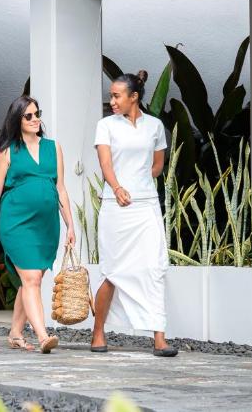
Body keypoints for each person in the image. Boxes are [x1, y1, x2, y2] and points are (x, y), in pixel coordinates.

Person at [0, 96, 76, 354]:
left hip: (46, 226)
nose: (34, 119)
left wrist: (70, 225)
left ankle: (15, 332)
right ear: (17, 120)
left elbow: (61, 189)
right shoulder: (6, 152)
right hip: (17, 223)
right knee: (31, 278)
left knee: (30, 280)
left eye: (37, 114)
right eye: (28, 116)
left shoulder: (54, 148)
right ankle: (43, 336)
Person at [90, 71, 178, 357]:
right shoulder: (106, 125)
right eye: (111, 96)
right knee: (113, 270)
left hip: (146, 205)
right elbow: (105, 164)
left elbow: (157, 165)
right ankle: (98, 331)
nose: (112, 101)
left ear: (134, 97)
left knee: (154, 268)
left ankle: (159, 338)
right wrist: (117, 188)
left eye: (117, 96)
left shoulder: (155, 126)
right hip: (115, 206)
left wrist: (139, 183)